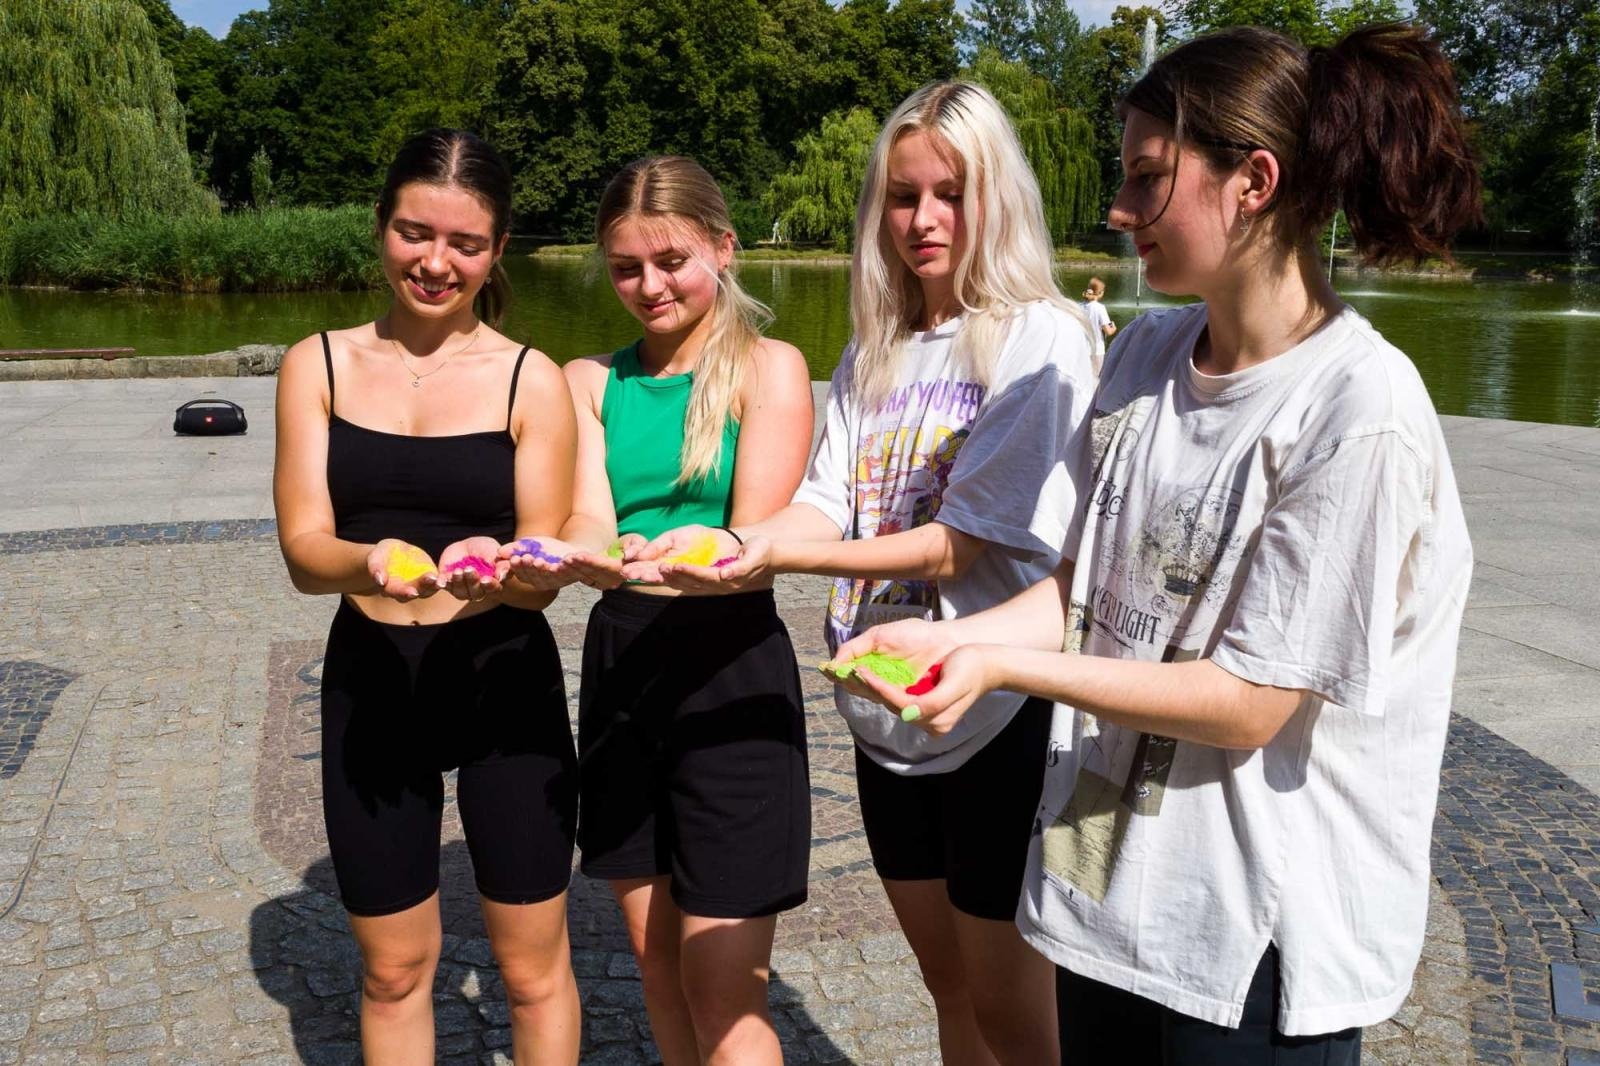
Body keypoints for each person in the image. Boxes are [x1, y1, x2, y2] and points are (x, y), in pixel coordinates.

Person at [829, 23, 1482, 1066]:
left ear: (1251, 181)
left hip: (1246, 949)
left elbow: (1249, 703)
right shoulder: (1141, 354)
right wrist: (953, 642)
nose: (1118, 210)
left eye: (1146, 178)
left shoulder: (1357, 406)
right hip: (1106, 903)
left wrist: (996, 661)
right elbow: (1082, 591)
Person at [631, 83, 1098, 1064]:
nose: (923, 219)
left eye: (950, 193)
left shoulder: (1040, 334)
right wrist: (741, 537)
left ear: (996, 197)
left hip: (994, 715)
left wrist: (777, 550)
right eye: (901, 195)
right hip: (882, 716)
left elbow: (956, 543)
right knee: (948, 986)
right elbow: (828, 501)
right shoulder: (872, 348)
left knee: (1016, 1015)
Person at [273, 128, 582, 1066]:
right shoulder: (315, 365)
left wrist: (514, 566)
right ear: (381, 228)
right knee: (394, 972)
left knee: (531, 973)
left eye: (466, 244)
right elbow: (302, 548)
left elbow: (541, 580)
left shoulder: (535, 378)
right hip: (373, 680)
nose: (436, 263)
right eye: (415, 233)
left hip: (501, 678)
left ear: (497, 253)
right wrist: (370, 562)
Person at [505, 155, 815, 1065]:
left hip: (731, 669)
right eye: (626, 266)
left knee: (724, 985)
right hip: (622, 665)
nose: (649, 285)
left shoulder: (772, 367)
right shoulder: (587, 381)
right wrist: (587, 554)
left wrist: (678, 552)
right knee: (655, 960)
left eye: (671, 259)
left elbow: (753, 541)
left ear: (723, 248)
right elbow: (592, 517)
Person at [1081, 277, 1116, 366]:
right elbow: (1108, 331)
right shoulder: (1100, 308)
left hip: (1081, 348)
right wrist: (1114, 328)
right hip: (1097, 350)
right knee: (1096, 378)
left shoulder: (1080, 306)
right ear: (1100, 293)